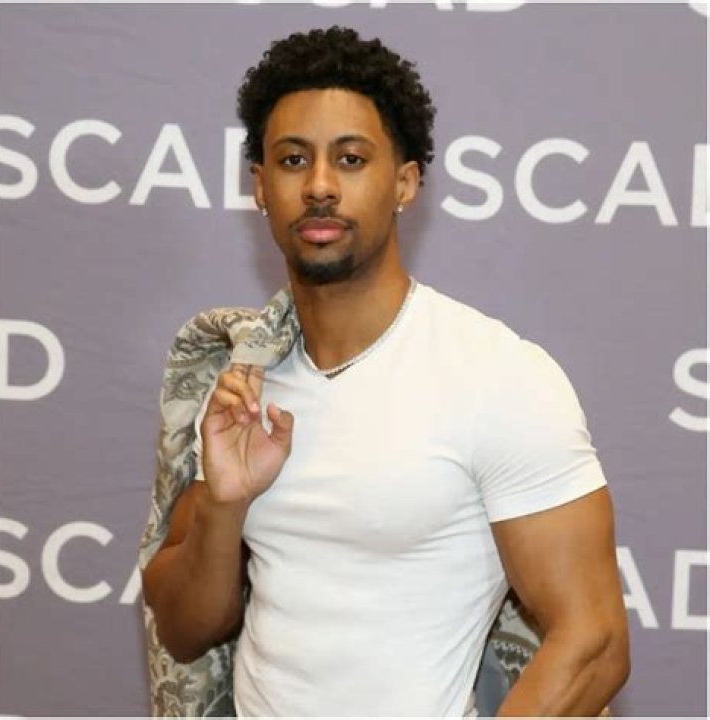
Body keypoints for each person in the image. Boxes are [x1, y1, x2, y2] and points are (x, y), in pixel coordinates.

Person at [141, 26, 629, 717]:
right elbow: (184, 630)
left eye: (350, 159)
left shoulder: (496, 376)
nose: (318, 186)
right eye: (292, 160)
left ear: (404, 182)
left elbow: (594, 641)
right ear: (260, 187)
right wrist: (225, 503)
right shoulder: (244, 378)